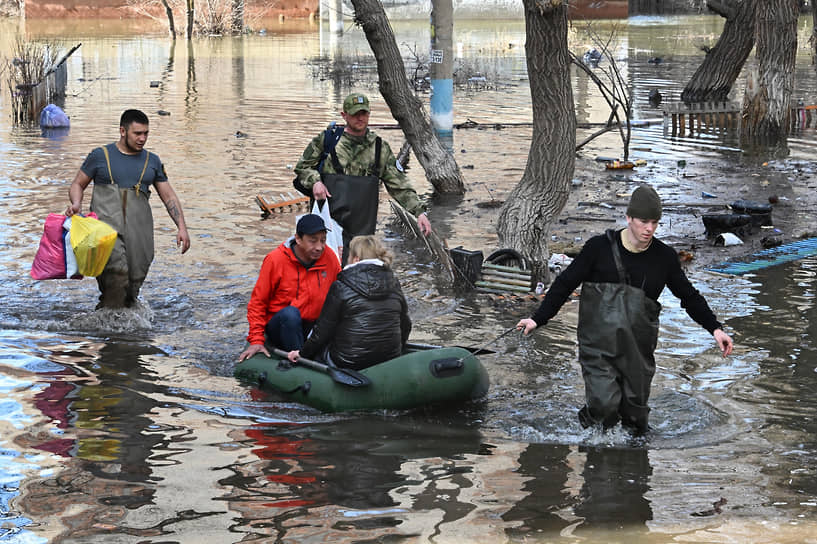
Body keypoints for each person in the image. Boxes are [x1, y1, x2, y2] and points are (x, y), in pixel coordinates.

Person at [516, 185, 733, 435]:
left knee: (636, 421)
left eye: (654, 222)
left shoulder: (664, 257)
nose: (649, 228)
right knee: (604, 405)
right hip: (597, 346)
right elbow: (565, 284)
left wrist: (715, 329)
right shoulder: (598, 249)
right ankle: (590, 433)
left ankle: (633, 468)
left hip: (638, 350)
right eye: (643, 221)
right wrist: (537, 319)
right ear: (629, 218)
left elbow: (689, 296)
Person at [66, 109, 190, 309]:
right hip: (105, 231)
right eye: (137, 133)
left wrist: (182, 228)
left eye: (146, 133)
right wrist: (76, 203)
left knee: (133, 282)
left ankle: (118, 322)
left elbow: (169, 196)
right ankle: (112, 328)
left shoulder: (153, 161)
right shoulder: (100, 156)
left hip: (139, 231)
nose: (142, 138)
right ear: (122, 131)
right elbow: (77, 184)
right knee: (116, 273)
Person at [294, 92, 432, 263]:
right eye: (354, 114)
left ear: (369, 114)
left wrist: (419, 212)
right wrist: (315, 182)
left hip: (362, 230)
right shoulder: (328, 140)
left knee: (360, 272)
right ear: (344, 115)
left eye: (364, 113)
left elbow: (398, 183)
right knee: (323, 270)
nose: (360, 118)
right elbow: (302, 168)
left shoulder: (379, 147)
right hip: (329, 226)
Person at [287, 235, 411, 371]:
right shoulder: (394, 283)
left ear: (356, 259)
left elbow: (322, 332)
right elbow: (405, 325)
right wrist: (399, 348)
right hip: (389, 358)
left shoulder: (341, 286)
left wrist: (302, 354)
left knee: (323, 345)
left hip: (349, 360)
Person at [238, 214, 342, 362]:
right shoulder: (275, 260)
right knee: (290, 315)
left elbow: (340, 294)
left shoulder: (330, 258)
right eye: (313, 241)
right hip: (282, 325)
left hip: (314, 326)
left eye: (323, 241)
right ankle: (302, 362)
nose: (319, 247)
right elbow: (257, 303)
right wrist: (256, 340)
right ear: (298, 239)